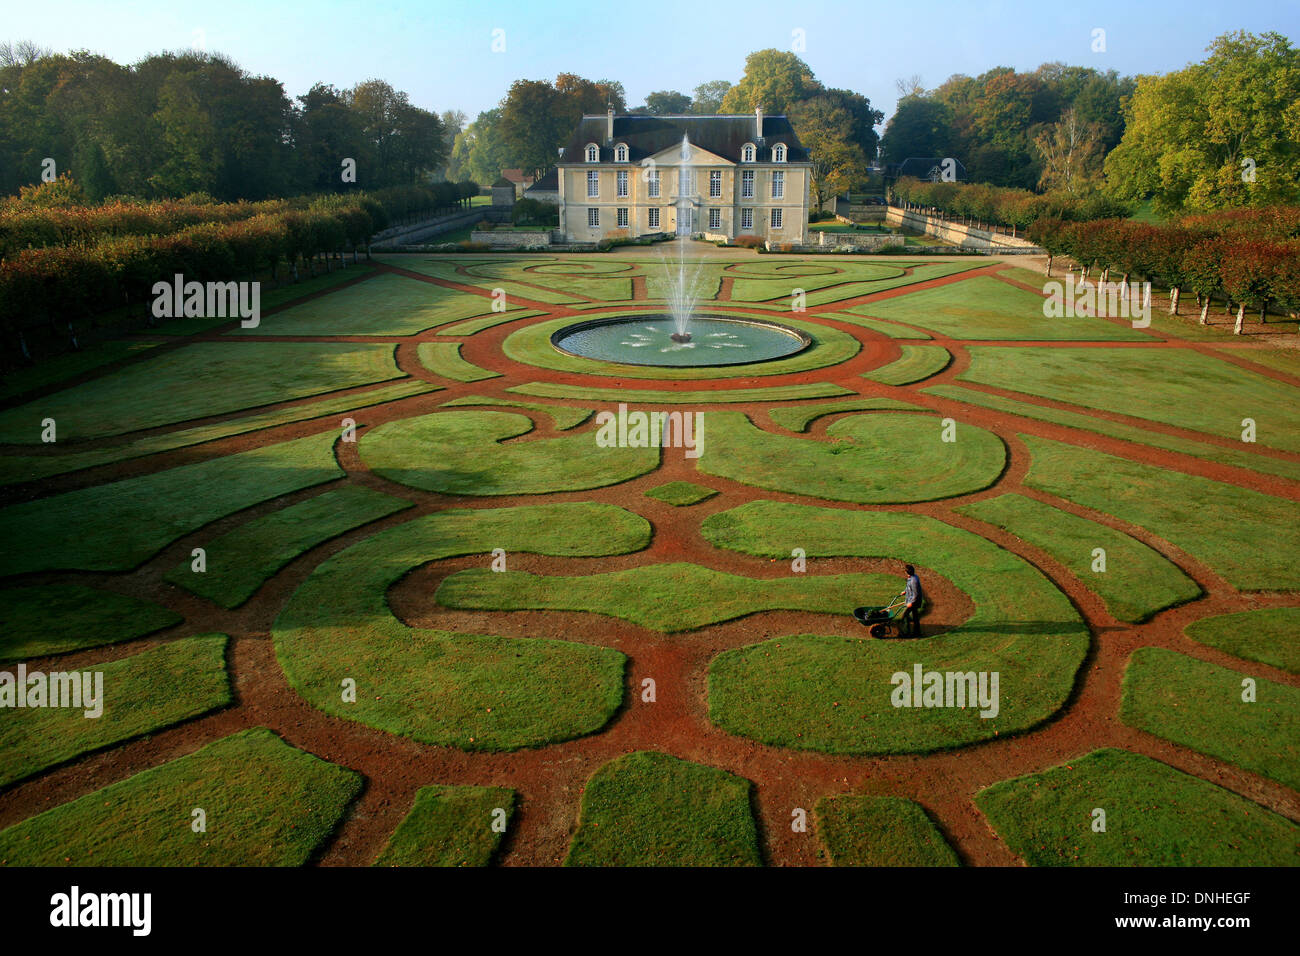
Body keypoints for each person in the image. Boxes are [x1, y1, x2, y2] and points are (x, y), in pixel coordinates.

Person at [901, 564, 924, 637]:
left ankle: (907, 632)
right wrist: (905, 591)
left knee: (904, 615)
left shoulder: (914, 581)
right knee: (915, 616)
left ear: (907, 572)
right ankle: (917, 632)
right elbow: (909, 587)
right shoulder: (912, 577)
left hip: (914, 601)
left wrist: (911, 603)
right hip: (913, 600)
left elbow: (916, 593)